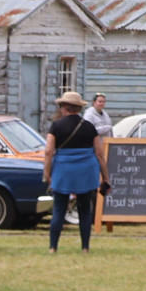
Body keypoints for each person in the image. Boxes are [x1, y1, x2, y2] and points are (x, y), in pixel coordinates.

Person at [43, 90, 109, 253]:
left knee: (59, 208)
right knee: (85, 209)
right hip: (86, 170)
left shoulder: (56, 126)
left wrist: (47, 173)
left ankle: (53, 247)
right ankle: (85, 248)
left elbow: (48, 151)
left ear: (64, 107)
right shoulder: (89, 127)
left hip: (63, 169)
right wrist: (105, 177)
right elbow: (99, 153)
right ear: (78, 108)